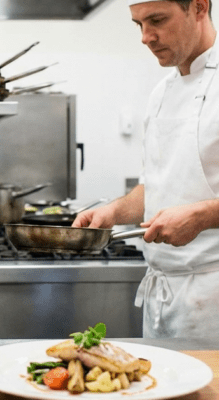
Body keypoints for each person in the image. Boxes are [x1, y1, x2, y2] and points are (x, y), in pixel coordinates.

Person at [73, 0, 219, 338]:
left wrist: (202, 216)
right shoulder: (160, 94)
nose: (145, 37)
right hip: (162, 298)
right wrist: (113, 211)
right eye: (138, 24)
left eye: (157, 20)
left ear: (199, 7)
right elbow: (154, 187)